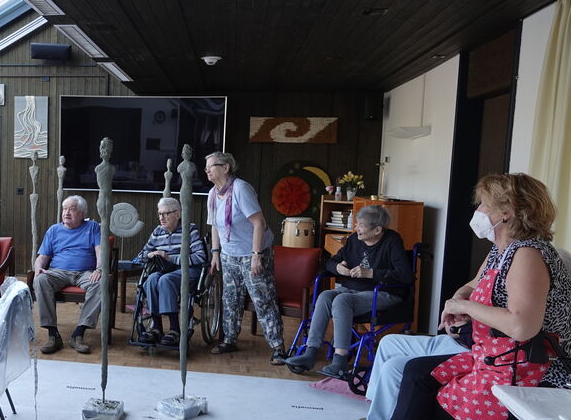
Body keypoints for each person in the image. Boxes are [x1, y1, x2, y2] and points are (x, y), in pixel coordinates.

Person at [341, 173, 571, 420]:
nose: (479, 211)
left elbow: (522, 325)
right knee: (417, 371)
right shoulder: (502, 252)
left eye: (485, 204)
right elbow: (472, 288)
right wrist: (457, 302)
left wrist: (469, 310)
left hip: (539, 372)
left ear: (509, 212)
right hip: (502, 358)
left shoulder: (528, 255)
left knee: (431, 400)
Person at [283, 205, 412, 376]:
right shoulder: (353, 240)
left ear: (377, 230)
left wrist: (370, 273)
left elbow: (405, 275)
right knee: (325, 296)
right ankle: (310, 352)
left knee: (342, 300)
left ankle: (340, 361)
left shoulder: (392, 241)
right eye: (357, 223)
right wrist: (337, 267)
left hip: (382, 292)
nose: (356, 228)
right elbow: (330, 262)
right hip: (352, 289)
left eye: (361, 225)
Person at [204, 152, 285, 359]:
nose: (207, 170)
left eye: (211, 166)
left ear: (225, 168)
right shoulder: (213, 193)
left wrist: (256, 255)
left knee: (262, 299)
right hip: (229, 255)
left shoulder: (241, 189)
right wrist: (215, 253)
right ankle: (229, 339)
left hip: (253, 252)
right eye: (207, 166)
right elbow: (214, 225)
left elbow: (259, 223)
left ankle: (277, 347)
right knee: (230, 299)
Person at [131, 197, 207, 347]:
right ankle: (157, 328)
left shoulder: (190, 229)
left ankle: (174, 330)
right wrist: (149, 255)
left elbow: (200, 257)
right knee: (152, 279)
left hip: (188, 271)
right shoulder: (158, 232)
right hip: (164, 270)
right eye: (160, 214)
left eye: (166, 214)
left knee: (165, 279)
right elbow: (140, 256)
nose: (161, 218)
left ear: (178, 214)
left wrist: (170, 258)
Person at [33, 195, 103, 355]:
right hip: (58, 272)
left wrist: (99, 269)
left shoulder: (92, 227)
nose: (67, 213)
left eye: (72, 209)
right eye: (65, 209)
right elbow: (42, 257)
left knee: (101, 284)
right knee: (41, 279)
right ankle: (53, 335)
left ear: (82, 213)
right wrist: (38, 269)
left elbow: (100, 250)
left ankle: (78, 334)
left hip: (85, 273)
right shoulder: (54, 230)